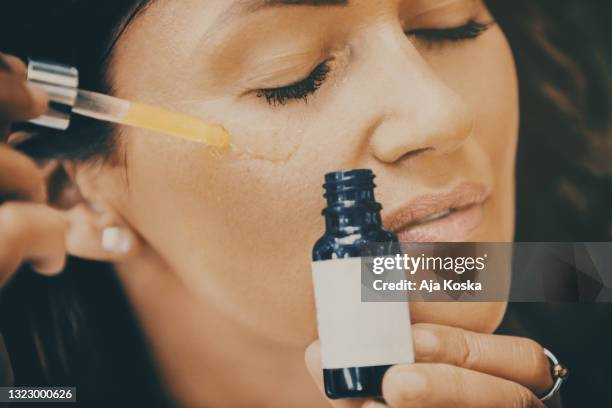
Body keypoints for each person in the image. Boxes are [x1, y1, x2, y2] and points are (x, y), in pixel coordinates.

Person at [0, 0, 609, 406]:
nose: (443, 113)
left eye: (448, 22)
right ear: (68, 192)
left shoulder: (584, 277)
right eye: (293, 76)